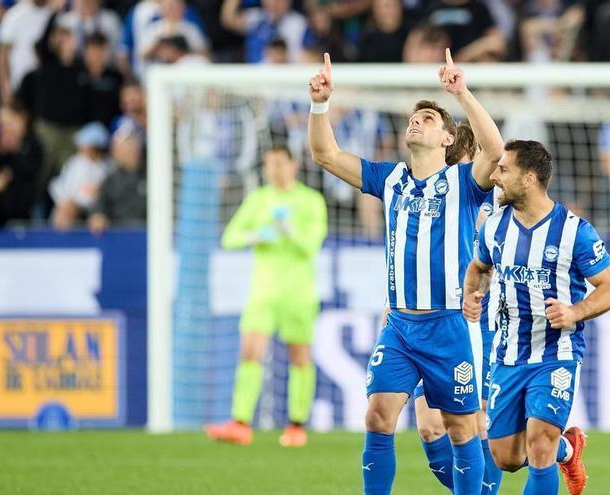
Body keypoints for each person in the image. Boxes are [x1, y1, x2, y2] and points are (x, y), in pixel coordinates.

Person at [308, 49, 503, 495]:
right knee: (378, 415)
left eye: (429, 119)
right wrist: (321, 104)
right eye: (414, 118)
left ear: (448, 140)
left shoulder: (463, 184)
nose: (416, 122)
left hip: (449, 324)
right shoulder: (389, 178)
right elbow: (325, 153)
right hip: (399, 325)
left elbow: (495, 149)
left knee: (459, 429)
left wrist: (461, 93)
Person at [463, 139, 610, 495]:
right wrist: (473, 295)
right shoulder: (494, 226)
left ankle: (554, 446)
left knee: (539, 442)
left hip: (556, 354)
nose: (494, 175)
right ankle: (569, 448)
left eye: (503, 169)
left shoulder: (574, 231)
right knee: (505, 456)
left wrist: (575, 311)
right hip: (507, 354)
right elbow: (479, 267)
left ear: (529, 178)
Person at [398, 124, 504, 493]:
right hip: (434, 324)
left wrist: (482, 285)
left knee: (484, 428)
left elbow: (495, 259)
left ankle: (563, 449)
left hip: (484, 326)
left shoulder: (492, 199)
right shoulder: (426, 196)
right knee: (429, 428)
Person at [204, 145, 327, 448]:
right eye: (268, 165)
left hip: (298, 293)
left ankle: (297, 425)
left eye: (279, 164)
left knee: (299, 357)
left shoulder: (311, 201)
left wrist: (289, 231)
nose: (273, 170)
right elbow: (229, 238)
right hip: (263, 292)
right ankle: (240, 422)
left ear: (293, 165)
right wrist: (256, 235)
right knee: (249, 353)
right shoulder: (258, 200)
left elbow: (312, 245)